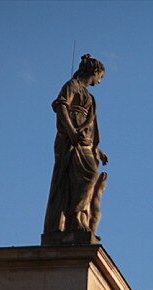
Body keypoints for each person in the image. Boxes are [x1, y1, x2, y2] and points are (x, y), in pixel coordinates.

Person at [43, 54, 108, 240]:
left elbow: (92, 124)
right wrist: (71, 131)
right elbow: (61, 107)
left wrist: (97, 150)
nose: (100, 81)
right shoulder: (71, 86)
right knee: (76, 178)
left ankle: (77, 217)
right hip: (69, 140)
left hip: (85, 142)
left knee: (90, 177)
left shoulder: (90, 96)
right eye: (101, 77)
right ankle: (72, 218)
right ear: (94, 72)